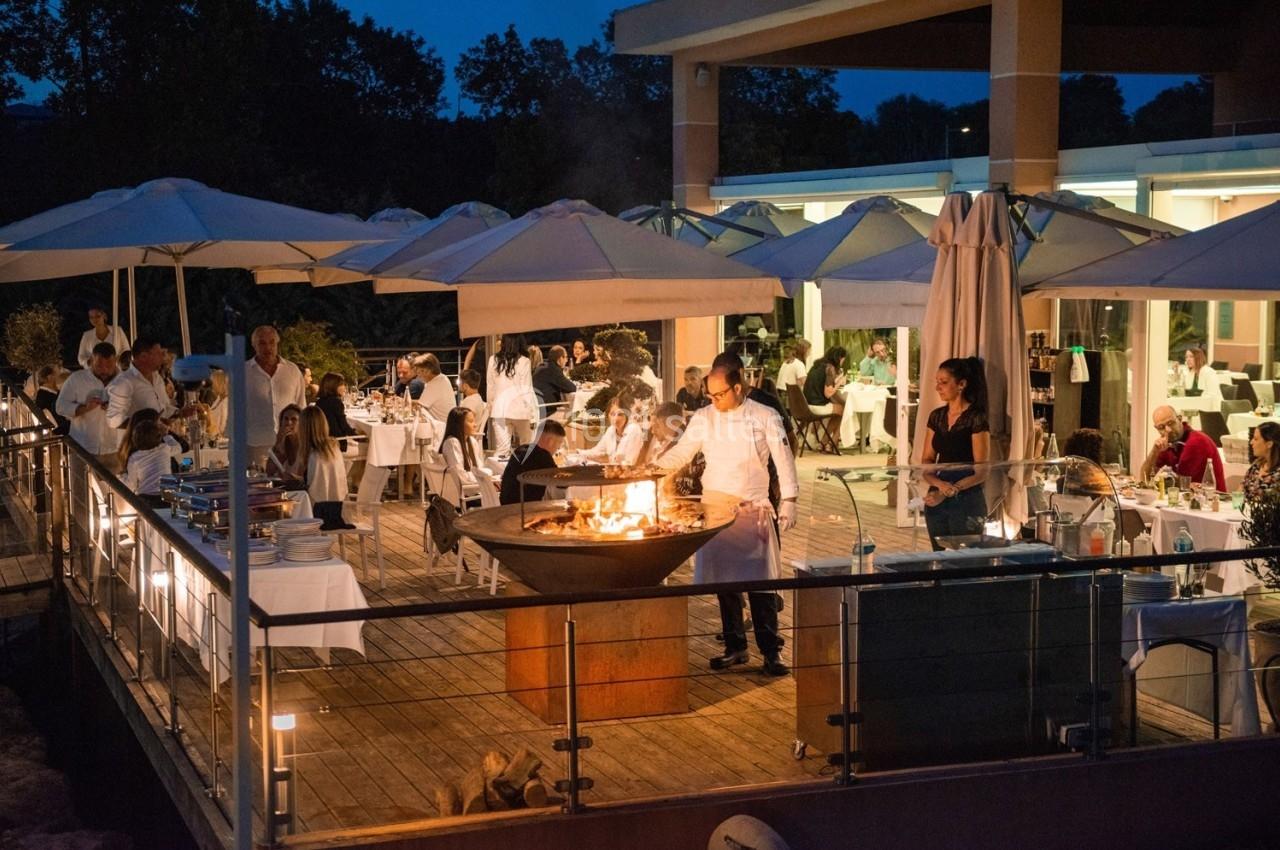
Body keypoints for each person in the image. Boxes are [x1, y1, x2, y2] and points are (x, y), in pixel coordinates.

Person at [655, 360, 798, 678]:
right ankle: (735, 646)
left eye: (719, 394)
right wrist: (655, 470)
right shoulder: (704, 418)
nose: (713, 400)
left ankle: (771, 650)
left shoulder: (765, 416)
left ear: (738, 387)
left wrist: (789, 499)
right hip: (716, 507)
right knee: (725, 585)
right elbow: (684, 451)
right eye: (710, 395)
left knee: (761, 586)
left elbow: (783, 458)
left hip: (752, 507)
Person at [920, 357, 991, 549]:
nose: (938, 388)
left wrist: (951, 490)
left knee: (965, 558)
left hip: (967, 497)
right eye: (937, 382)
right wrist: (938, 485)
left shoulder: (976, 418)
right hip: (937, 495)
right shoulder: (936, 416)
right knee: (938, 554)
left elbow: (982, 471)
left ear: (961, 385)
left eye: (943, 382)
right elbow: (926, 460)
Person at [245, 325, 307, 468]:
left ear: (277, 344)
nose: (268, 348)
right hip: (256, 445)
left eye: (272, 342)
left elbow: (300, 406)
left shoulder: (292, 371)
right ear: (254, 345)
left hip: (290, 444)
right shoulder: (243, 373)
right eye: (262, 343)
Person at [58, 342, 122, 470]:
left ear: (116, 361)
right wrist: (84, 408)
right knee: (80, 488)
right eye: (99, 365)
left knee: (115, 489)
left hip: (115, 448)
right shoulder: (77, 379)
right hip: (82, 447)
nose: (104, 370)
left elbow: (135, 410)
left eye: (108, 365)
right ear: (91, 360)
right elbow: (60, 406)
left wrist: (116, 408)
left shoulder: (125, 380)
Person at [1139, 405, 1226, 490]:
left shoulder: (1196, 442)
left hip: (1213, 500)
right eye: (1161, 427)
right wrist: (1155, 451)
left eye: (1171, 423)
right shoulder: (1168, 443)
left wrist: (1162, 476)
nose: (1168, 430)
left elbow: (1184, 483)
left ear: (1180, 419)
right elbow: (1145, 478)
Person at [107, 336, 180, 429]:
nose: (163, 357)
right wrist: (146, 423)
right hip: (137, 442)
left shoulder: (157, 378)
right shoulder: (124, 382)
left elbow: (163, 409)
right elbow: (113, 419)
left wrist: (180, 413)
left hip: (161, 440)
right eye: (159, 353)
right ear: (143, 357)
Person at [299, 407, 353, 530]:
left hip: (318, 513)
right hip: (338, 509)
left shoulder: (314, 455)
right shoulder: (333, 448)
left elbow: (314, 488)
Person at [487, 333, 536, 457]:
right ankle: (523, 475)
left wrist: (491, 407)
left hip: (500, 410)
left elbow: (490, 387)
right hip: (520, 410)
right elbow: (527, 389)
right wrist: (532, 414)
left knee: (502, 451)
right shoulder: (524, 361)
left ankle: (502, 475)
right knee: (526, 449)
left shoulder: (493, 360)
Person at [499, 420, 566, 505]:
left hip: (506, 505)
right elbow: (562, 483)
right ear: (550, 441)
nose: (559, 447)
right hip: (522, 510)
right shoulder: (543, 456)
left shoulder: (521, 449)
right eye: (559, 442)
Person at [121, 419, 180, 505]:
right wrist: (166, 435)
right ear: (158, 436)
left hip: (146, 498)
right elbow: (178, 448)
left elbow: (132, 484)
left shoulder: (134, 458)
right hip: (167, 496)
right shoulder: (164, 449)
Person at [581, 397, 644, 464]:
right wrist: (578, 453)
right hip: (614, 470)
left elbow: (629, 462)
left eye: (620, 414)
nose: (616, 418)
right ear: (608, 416)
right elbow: (597, 451)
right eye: (612, 414)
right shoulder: (611, 430)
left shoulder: (633, 429)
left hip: (630, 472)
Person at [439, 406, 489, 488]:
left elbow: (479, 467)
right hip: (465, 491)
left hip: (475, 485)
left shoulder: (472, 441)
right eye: (471, 421)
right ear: (458, 424)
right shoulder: (452, 443)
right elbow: (459, 475)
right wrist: (483, 477)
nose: (475, 425)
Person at [1060, 427, 1113, 495]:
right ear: (1095, 453)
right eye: (1100, 449)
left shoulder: (1062, 482)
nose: (1103, 453)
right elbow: (1112, 504)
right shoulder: (1098, 486)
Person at [633, 401, 686, 466]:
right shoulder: (650, 435)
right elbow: (639, 461)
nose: (653, 431)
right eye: (652, 426)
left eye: (657, 426)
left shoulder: (683, 444)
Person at [315, 372, 357, 452]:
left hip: (323, 442)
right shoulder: (336, 402)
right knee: (369, 448)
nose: (344, 388)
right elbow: (344, 427)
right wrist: (359, 437)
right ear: (333, 386)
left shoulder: (319, 402)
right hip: (337, 444)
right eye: (342, 385)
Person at [532, 345, 576, 420]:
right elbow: (572, 387)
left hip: (536, 408)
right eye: (565, 357)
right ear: (560, 359)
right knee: (571, 413)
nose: (566, 360)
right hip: (546, 410)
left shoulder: (543, 366)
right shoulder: (553, 370)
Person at [266, 404, 304, 487]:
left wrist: (293, 477)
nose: (288, 423)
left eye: (293, 419)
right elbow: (269, 471)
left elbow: (305, 479)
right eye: (286, 419)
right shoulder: (283, 446)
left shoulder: (304, 447)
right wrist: (278, 443)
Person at [803, 346, 847, 415]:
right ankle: (831, 426)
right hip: (817, 406)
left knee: (839, 406)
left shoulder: (816, 365)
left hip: (806, 404)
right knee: (844, 411)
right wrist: (840, 382)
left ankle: (816, 426)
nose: (842, 363)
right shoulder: (830, 368)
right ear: (839, 358)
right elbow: (828, 394)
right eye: (842, 361)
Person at [412, 353, 456, 423]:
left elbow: (419, 406)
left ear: (427, 371)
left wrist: (400, 402)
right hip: (446, 424)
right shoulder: (442, 378)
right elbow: (423, 402)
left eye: (419, 371)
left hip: (441, 428)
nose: (418, 375)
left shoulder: (434, 383)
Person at [1244, 422, 1280, 503]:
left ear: (1269, 444)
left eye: (1256, 439)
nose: (1251, 442)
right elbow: (1238, 494)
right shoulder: (1256, 466)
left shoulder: (1277, 474)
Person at [34, 365, 70, 435]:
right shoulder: (45, 397)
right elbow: (58, 421)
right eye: (56, 375)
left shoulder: (49, 394)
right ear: (50, 377)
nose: (59, 378)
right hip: (63, 434)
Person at [203, 368, 229, 440]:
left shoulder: (226, 402)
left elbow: (223, 429)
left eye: (213, 383)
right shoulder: (218, 399)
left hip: (220, 440)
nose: (212, 386)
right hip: (212, 437)